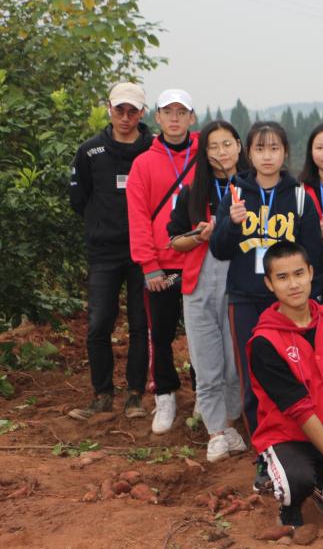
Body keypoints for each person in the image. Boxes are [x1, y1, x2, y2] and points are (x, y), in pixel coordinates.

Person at [210, 121, 323, 454]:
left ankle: (299, 443)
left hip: (290, 303)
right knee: (251, 376)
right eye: (260, 149)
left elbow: (313, 255)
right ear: (249, 153)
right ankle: (264, 449)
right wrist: (232, 224)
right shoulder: (235, 192)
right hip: (245, 298)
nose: (267, 156)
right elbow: (219, 250)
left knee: (296, 373)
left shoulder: (300, 197)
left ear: (285, 152)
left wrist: (311, 300)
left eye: (274, 148)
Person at [248, 241, 323, 528]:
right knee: (296, 482)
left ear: (311, 273)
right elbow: (300, 411)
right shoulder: (265, 342)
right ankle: (292, 501)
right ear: (269, 284)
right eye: (282, 277)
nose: (293, 284)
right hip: (289, 437)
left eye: (299, 274)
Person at [68, 83, 154, 421]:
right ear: (109, 109)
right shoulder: (90, 151)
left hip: (143, 252)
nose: (126, 117)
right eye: (120, 110)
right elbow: (79, 198)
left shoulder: (153, 149)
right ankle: (102, 395)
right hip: (104, 252)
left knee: (140, 324)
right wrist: (100, 224)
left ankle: (135, 395)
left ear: (142, 113)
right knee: (99, 324)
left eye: (132, 111)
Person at [166, 121, 249, 462]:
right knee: (206, 362)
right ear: (204, 152)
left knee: (234, 364)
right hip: (199, 284)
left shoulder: (253, 187)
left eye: (227, 144)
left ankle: (230, 423)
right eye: (213, 147)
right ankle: (216, 431)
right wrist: (198, 236)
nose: (221, 152)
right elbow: (174, 240)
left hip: (240, 284)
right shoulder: (192, 192)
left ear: (239, 146)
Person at [125, 88, 199, 434]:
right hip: (162, 265)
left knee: (202, 335)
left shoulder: (205, 156)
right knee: (162, 334)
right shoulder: (143, 163)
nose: (174, 118)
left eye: (181, 112)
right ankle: (165, 394)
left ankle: (203, 394)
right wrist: (148, 264)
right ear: (157, 117)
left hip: (199, 261)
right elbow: (138, 217)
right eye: (167, 112)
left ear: (191, 117)